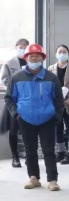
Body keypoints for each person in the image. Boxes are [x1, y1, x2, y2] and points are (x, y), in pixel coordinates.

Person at [5, 44, 64, 191]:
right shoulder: (16, 77)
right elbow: (9, 98)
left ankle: (52, 180)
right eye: (31, 56)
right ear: (26, 58)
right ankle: (33, 178)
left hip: (47, 118)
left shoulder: (51, 78)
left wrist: (57, 116)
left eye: (37, 56)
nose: (34, 58)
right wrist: (16, 114)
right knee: (30, 150)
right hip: (25, 119)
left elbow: (59, 99)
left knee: (48, 150)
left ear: (42, 58)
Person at [48, 45, 69, 165]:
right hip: (56, 103)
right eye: (60, 52)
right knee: (58, 128)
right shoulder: (50, 68)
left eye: (64, 52)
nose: (62, 54)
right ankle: (60, 152)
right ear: (56, 54)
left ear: (68, 54)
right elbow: (48, 85)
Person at [1, 38, 30, 168]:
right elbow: (4, 79)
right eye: (20, 47)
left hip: (29, 100)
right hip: (14, 99)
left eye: (25, 47)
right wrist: (16, 87)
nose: (22, 49)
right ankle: (15, 156)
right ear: (15, 47)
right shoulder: (9, 63)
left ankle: (29, 156)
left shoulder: (32, 62)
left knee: (29, 130)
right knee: (13, 130)